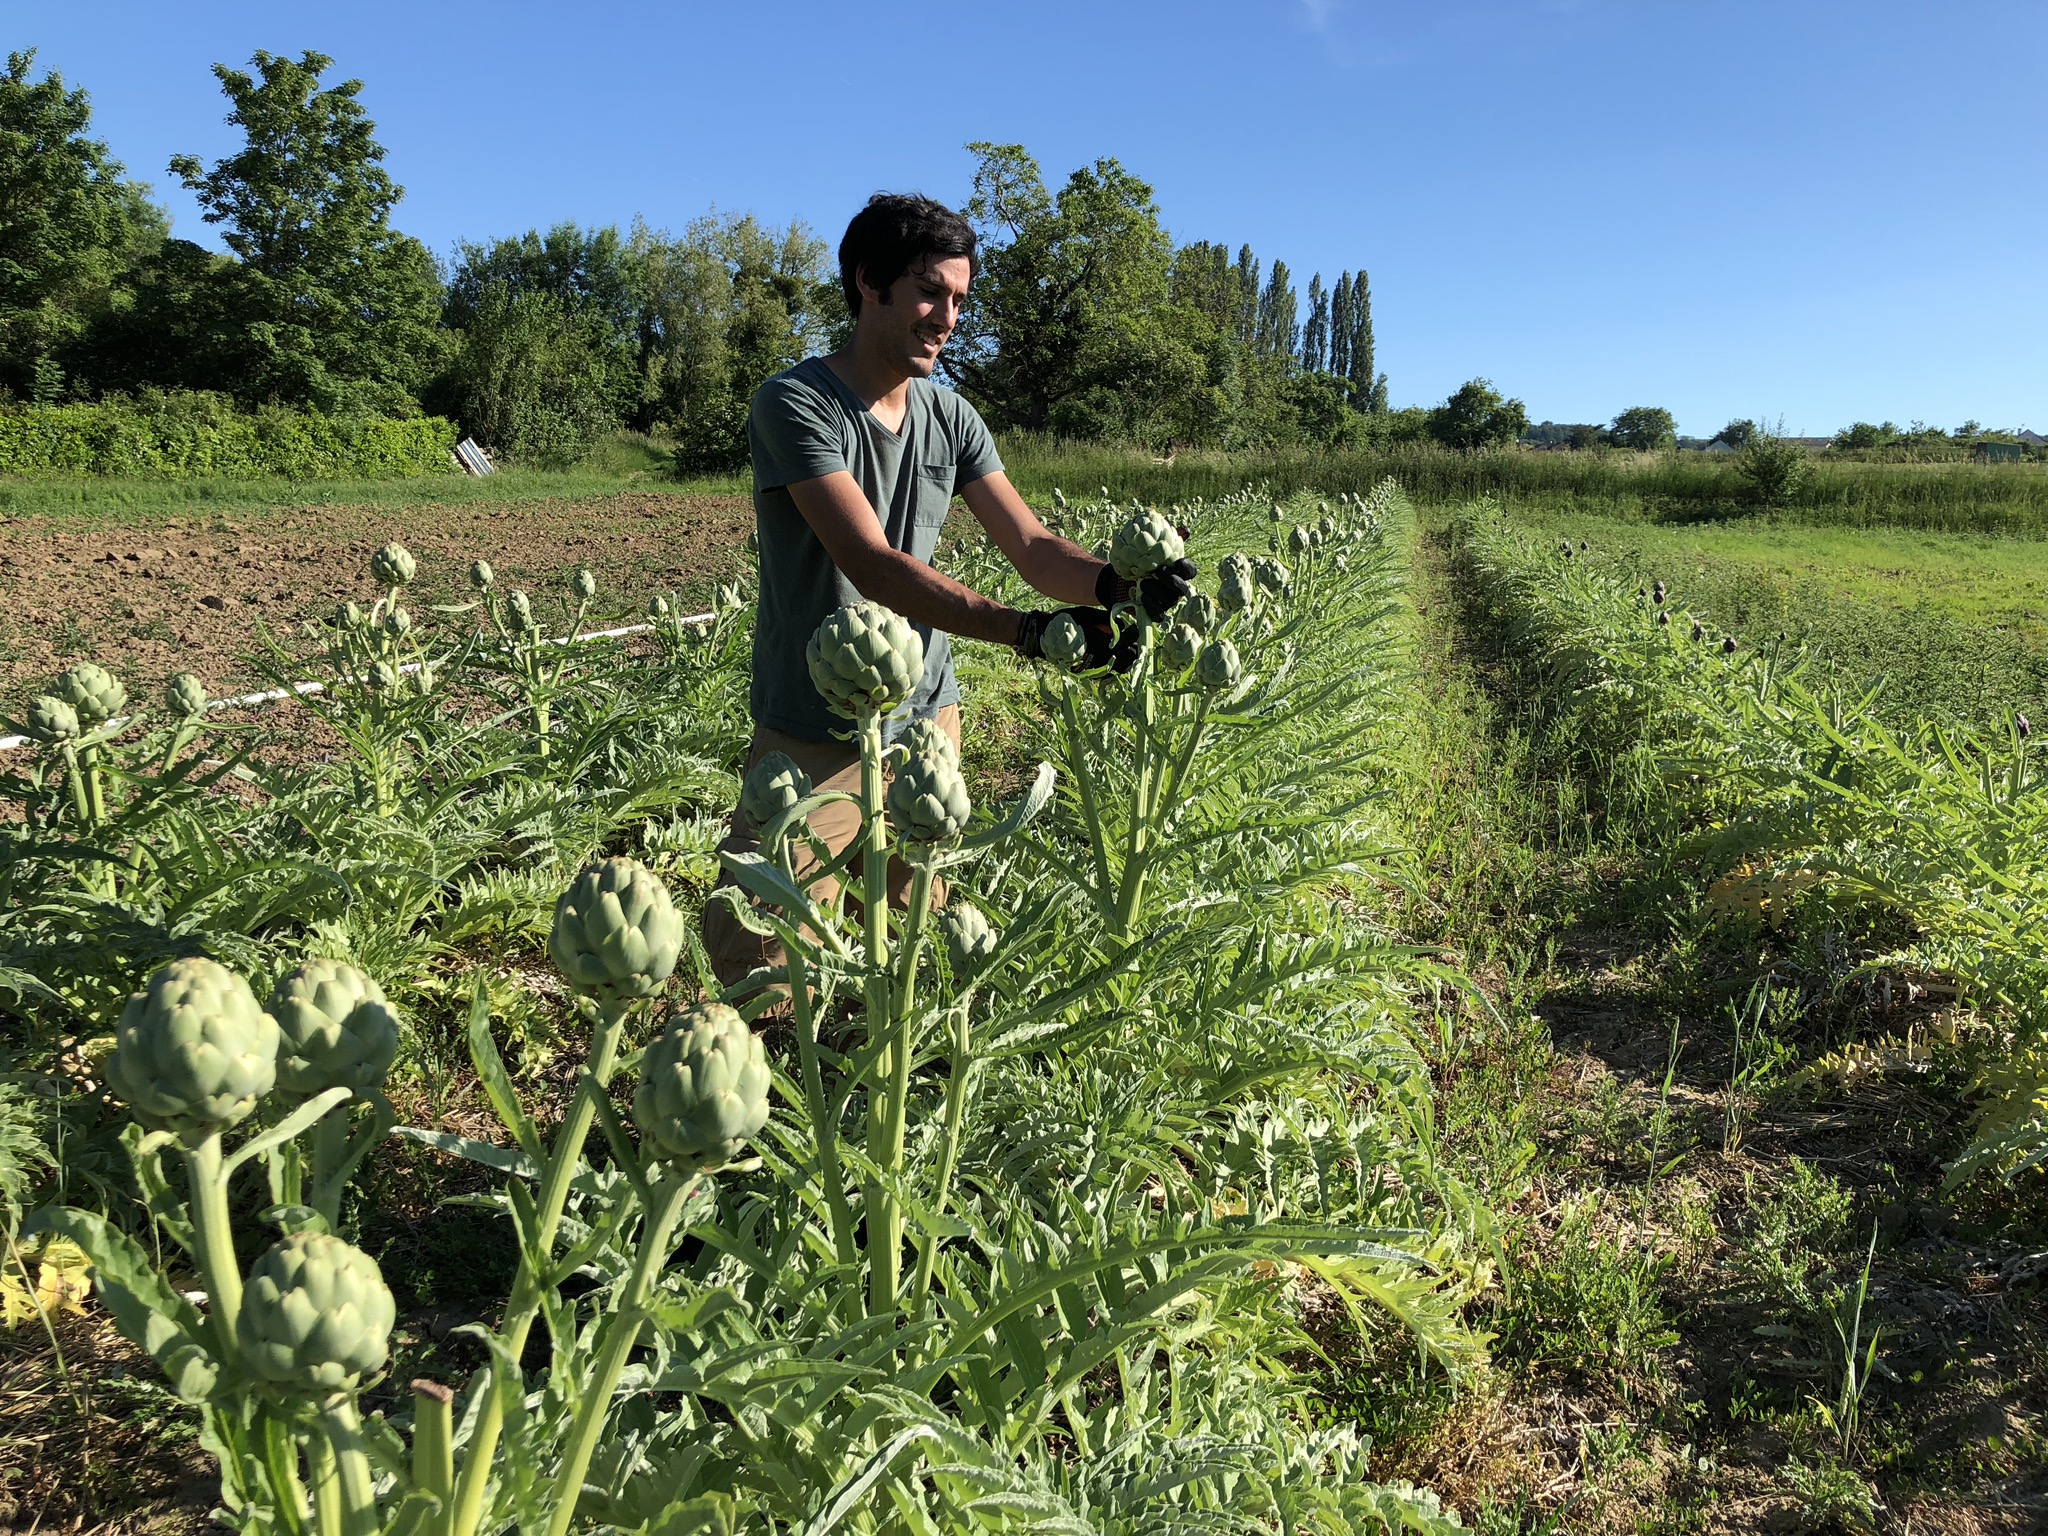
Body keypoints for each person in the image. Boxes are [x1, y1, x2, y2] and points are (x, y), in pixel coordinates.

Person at [703, 192, 1195, 989]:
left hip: (928, 715)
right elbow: (874, 565)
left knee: (913, 924)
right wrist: (1028, 634)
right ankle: (781, 1093)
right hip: (815, 719)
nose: (948, 316)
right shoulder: (794, 403)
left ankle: (890, 1083)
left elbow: (1033, 547)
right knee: (760, 941)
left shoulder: (952, 416)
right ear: (869, 282)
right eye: (932, 291)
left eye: (960, 299)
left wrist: (1115, 583)